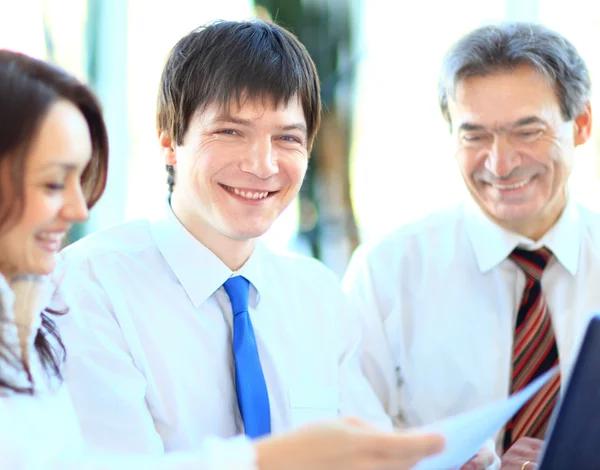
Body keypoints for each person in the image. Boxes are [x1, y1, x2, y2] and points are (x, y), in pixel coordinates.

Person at [0, 48, 445, 470]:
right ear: (170, 142)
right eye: (231, 132)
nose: (262, 164)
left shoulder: (319, 294)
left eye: (287, 138)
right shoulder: (84, 285)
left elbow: (369, 449)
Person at [342, 21, 600, 470]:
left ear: (580, 124)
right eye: (474, 135)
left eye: (528, 131)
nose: (500, 163)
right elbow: (343, 442)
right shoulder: (385, 272)